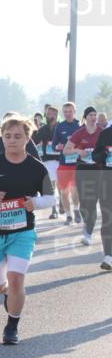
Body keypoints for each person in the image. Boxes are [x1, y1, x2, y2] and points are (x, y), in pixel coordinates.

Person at [0, 115, 55, 344]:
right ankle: (6, 292)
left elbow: (50, 198)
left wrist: (34, 203)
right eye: (7, 136)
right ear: (2, 138)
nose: (12, 140)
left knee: (16, 278)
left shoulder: (37, 168)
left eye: (18, 136)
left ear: (27, 139)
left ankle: (12, 326)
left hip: (23, 231)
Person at [67, 106, 104, 247]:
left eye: (95, 114)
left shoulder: (103, 132)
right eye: (91, 115)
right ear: (86, 117)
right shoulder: (79, 133)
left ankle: (87, 234)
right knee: (84, 204)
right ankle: (87, 223)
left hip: (98, 170)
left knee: (92, 202)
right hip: (82, 170)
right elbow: (66, 150)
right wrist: (78, 150)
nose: (94, 117)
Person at [54, 102, 82, 225]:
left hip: (77, 164)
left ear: (74, 112)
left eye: (70, 111)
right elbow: (54, 145)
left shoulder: (80, 126)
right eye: (65, 112)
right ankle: (68, 216)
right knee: (64, 191)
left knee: (75, 190)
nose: (67, 114)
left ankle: (76, 210)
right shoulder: (59, 127)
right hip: (64, 163)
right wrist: (58, 146)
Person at [91, 123, 112, 270]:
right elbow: (95, 155)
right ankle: (108, 256)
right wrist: (103, 155)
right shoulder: (105, 134)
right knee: (108, 218)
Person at [33, 105, 61, 219]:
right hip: (48, 160)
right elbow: (34, 141)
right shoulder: (43, 129)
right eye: (46, 114)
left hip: (61, 160)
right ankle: (54, 210)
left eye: (49, 114)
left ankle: (63, 203)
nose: (47, 116)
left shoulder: (61, 127)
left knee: (62, 187)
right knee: (52, 186)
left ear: (55, 115)